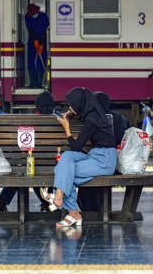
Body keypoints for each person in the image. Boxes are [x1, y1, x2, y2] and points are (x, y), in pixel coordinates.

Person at [41, 87, 117, 227]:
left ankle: (68, 206)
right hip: (94, 156)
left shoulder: (92, 120)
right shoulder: (92, 114)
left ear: (79, 103)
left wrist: (66, 127)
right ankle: (64, 201)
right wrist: (71, 115)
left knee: (63, 171)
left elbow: (76, 146)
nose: (70, 108)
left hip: (104, 161)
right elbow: (73, 151)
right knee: (67, 157)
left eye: (71, 105)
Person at [76, 91, 130, 212]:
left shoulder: (90, 119)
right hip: (113, 164)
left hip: (95, 163)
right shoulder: (119, 118)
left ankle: (88, 208)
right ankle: (100, 209)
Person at [33, 91, 55, 211]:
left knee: (33, 175)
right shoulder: (60, 118)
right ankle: (49, 202)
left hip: (37, 164)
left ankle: (46, 203)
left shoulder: (32, 120)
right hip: (57, 163)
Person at [25, 3, 49, 88]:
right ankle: (32, 83)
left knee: (41, 61)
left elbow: (46, 28)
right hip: (32, 42)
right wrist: (34, 40)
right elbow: (30, 29)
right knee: (31, 61)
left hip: (42, 41)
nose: (33, 15)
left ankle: (40, 83)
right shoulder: (27, 16)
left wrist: (41, 41)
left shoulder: (43, 16)